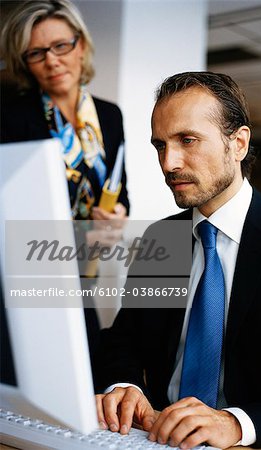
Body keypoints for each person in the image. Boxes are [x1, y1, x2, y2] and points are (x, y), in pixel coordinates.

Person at [94, 71, 261, 449]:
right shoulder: (161, 239)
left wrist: (236, 423)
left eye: (187, 140)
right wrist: (125, 386)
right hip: (157, 439)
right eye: (160, 145)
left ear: (238, 143)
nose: (169, 163)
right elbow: (124, 343)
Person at [0, 0, 130, 361]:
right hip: (31, 274)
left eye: (61, 46)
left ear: (81, 45)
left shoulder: (108, 115)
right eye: (36, 53)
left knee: (86, 371)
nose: (52, 61)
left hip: (84, 275)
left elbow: (120, 190)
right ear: (25, 63)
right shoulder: (11, 117)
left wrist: (117, 217)